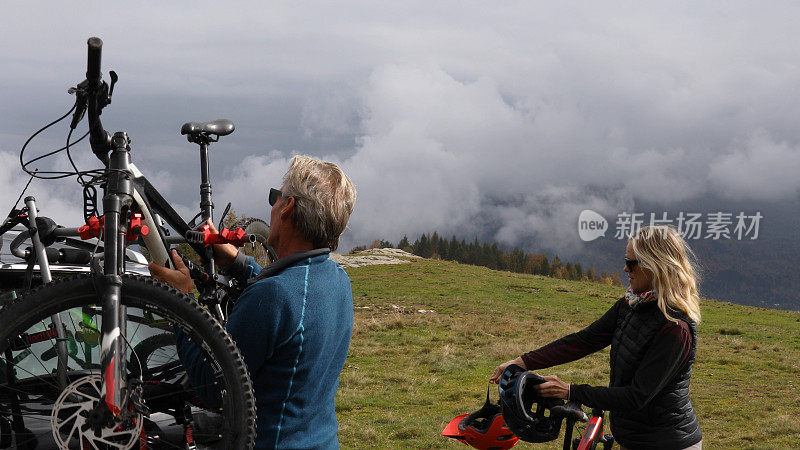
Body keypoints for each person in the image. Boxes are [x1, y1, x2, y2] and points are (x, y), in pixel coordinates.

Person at [149, 155, 357, 449]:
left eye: (277, 197)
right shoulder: (337, 280)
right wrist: (240, 264)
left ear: (288, 208)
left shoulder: (272, 297)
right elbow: (293, 300)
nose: (272, 205)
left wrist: (181, 301)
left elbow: (212, 384)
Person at [490, 226, 703, 450]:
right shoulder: (632, 305)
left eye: (631, 263)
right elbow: (584, 341)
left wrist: (570, 391)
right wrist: (521, 362)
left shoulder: (675, 329)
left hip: (667, 442)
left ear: (655, 266)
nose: (624, 268)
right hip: (633, 438)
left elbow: (636, 397)